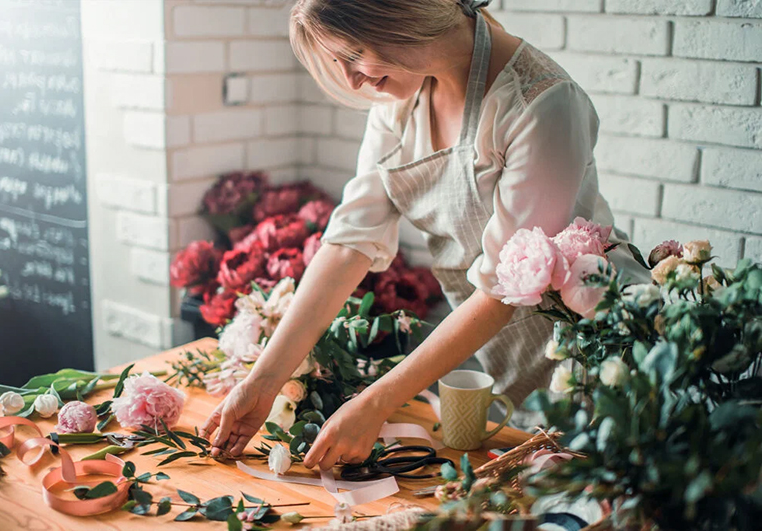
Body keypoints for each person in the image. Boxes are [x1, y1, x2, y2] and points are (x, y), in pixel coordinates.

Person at [200, 0, 647, 470]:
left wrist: (375, 404)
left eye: (355, 54)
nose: (352, 80)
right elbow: (349, 241)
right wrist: (263, 381)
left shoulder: (542, 102)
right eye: (339, 63)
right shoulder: (398, 101)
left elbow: (502, 290)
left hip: (592, 348)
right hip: (505, 354)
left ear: (400, 15)